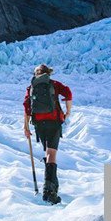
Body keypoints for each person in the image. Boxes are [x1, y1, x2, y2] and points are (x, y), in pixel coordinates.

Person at [23, 63, 72, 204]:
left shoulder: (31, 87)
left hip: (39, 124)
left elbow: (26, 107)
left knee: (48, 153)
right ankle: (49, 191)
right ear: (48, 73)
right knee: (51, 153)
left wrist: (25, 127)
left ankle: (50, 186)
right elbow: (68, 93)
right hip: (54, 122)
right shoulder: (54, 84)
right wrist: (68, 111)